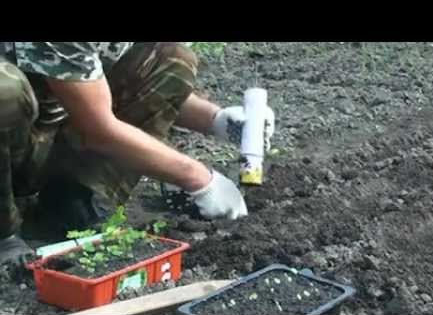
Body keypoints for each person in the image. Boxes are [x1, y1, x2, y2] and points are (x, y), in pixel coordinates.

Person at [0, 42, 275, 265]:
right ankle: (5, 233)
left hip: (50, 130)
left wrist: (217, 120)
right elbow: (98, 128)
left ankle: (69, 202)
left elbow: (113, 84)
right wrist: (198, 178)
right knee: (3, 89)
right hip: (12, 143)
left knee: (170, 58)